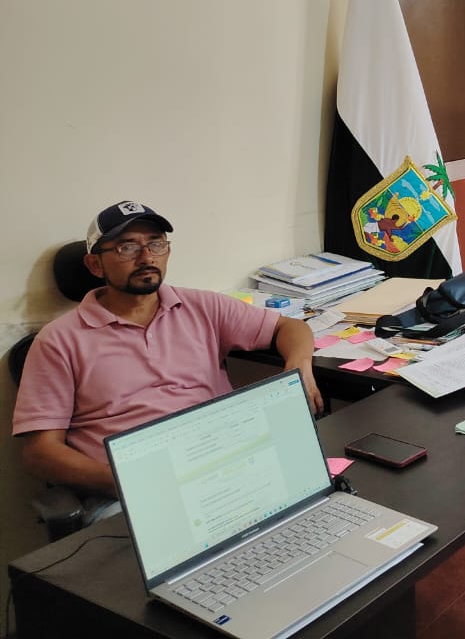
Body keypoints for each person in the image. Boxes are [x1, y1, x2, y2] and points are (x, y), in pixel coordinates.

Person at [12, 201, 324, 517]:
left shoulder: (202, 307)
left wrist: (300, 367)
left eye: (156, 244)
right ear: (95, 265)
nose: (147, 257)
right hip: (131, 495)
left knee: (318, 507)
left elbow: (290, 328)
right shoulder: (58, 340)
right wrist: (127, 484)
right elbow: (41, 453)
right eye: (127, 247)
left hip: (227, 468)